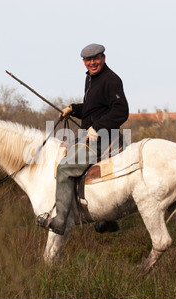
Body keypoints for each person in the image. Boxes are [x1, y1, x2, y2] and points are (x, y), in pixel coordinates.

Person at [36, 43, 129, 235]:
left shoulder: (111, 79)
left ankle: (60, 221)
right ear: (83, 62)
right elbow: (92, 108)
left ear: (103, 58)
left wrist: (97, 128)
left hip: (103, 137)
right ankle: (108, 219)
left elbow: (121, 111)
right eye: (88, 60)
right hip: (90, 135)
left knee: (65, 168)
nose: (92, 63)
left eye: (96, 58)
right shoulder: (91, 79)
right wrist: (73, 108)